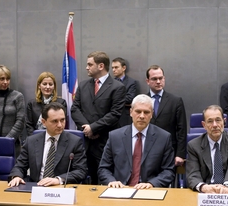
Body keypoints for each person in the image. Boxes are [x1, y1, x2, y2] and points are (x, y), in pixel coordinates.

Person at [71, 51, 126, 184]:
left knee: (106, 180)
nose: (86, 67)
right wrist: (87, 128)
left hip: (105, 142)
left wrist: (94, 128)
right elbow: (74, 109)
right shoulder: (83, 85)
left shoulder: (117, 87)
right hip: (85, 143)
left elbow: (115, 114)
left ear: (101, 66)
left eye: (90, 64)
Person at [98, 94, 175, 188]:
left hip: (149, 191)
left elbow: (169, 171)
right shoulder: (115, 136)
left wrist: (152, 184)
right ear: (131, 112)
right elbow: (103, 168)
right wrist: (112, 181)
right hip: (121, 189)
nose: (142, 116)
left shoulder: (163, 138)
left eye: (146, 112)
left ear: (152, 114)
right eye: (138, 111)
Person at [8, 102, 88, 186]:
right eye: (55, 121)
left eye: (62, 120)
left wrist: (58, 179)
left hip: (61, 188)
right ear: (43, 122)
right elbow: (20, 166)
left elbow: (81, 171)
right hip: (36, 187)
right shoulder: (31, 141)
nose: (60, 125)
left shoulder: (75, 142)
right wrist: (16, 176)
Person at [186, 105, 228, 193]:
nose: (215, 125)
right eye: (210, 121)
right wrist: (203, 187)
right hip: (205, 192)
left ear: (224, 122)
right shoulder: (194, 145)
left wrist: (227, 186)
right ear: (204, 125)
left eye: (218, 120)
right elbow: (193, 174)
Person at [146, 65, 187, 168]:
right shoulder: (141, 101)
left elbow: (182, 130)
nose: (158, 81)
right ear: (147, 81)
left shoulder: (175, 101)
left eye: (161, 78)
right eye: (154, 79)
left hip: (169, 152)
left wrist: (180, 154)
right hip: (146, 151)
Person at [26, 72, 67, 136]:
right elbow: (29, 125)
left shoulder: (61, 103)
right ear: (39, 86)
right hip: (36, 138)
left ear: (54, 86)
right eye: (44, 84)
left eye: (50, 84)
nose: (48, 87)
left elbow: (62, 124)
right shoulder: (31, 104)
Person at [111, 57, 137, 127]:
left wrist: (113, 99)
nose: (113, 70)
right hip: (111, 118)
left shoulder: (131, 82)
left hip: (125, 118)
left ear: (124, 68)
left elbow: (130, 99)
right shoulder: (110, 83)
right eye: (112, 68)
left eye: (116, 67)